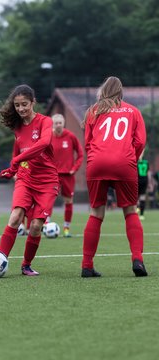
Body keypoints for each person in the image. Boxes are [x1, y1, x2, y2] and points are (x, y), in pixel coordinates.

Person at [0, 84, 59, 276]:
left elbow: (44, 143)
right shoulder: (17, 128)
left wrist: (17, 161)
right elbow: (17, 153)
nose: (21, 109)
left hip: (47, 181)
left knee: (36, 226)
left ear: (33, 102)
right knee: (15, 217)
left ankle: (26, 265)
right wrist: (12, 169)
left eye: (24, 104)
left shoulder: (45, 122)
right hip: (25, 178)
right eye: (17, 105)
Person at [81, 76, 148, 278]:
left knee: (96, 213)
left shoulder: (94, 111)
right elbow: (140, 142)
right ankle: (137, 260)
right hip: (124, 163)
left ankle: (87, 265)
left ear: (103, 91)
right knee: (130, 211)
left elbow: (88, 143)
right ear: (121, 92)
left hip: (96, 163)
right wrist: (129, 160)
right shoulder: (133, 111)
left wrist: (96, 159)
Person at [50, 114, 84, 237]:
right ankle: (46, 225)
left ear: (63, 123)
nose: (58, 125)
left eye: (60, 122)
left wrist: (74, 168)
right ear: (52, 124)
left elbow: (80, 154)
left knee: (68, 201)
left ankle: (66, 228)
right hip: (52, 175)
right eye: (56, 123)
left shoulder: (70, 136)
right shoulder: (48, 137)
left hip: (68, 176)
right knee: (48, 200)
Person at [137, 151, 149, 220]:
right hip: (140, 181)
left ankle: (141, 214)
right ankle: (138, 212)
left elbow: (147, 172)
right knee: (138, 198)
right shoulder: (145, 162)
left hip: (142, 181)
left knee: (141, 198)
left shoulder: (143, 162)